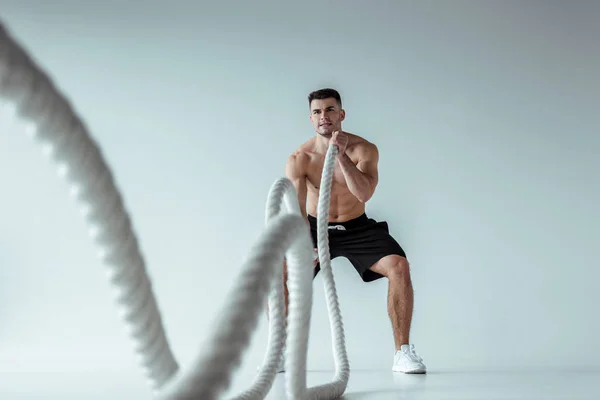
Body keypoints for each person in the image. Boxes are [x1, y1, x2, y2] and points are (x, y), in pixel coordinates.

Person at [276, 87, 427, 374]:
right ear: (311, 118)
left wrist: (341, 155)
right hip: (313, 226)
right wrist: (306, 246)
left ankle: (403, 353)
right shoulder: (300, 159)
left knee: (399, 266)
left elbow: (363, 193)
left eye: (330, 110)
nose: (325, 117)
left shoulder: (364, 149)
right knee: (278, 273)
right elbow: (295, 210)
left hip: (356, 227)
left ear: (341, 114)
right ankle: (281, 352)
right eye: (318, 112)